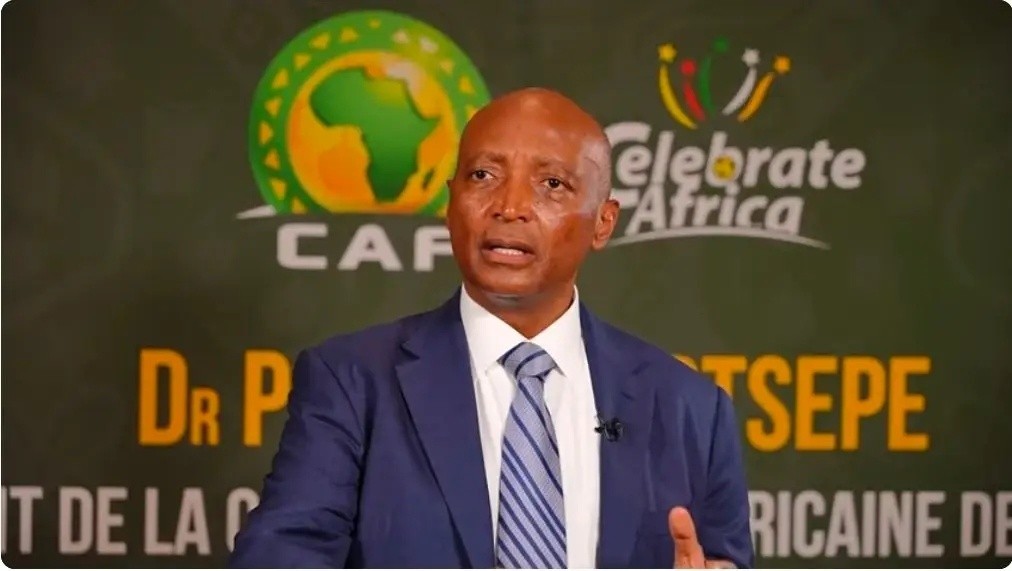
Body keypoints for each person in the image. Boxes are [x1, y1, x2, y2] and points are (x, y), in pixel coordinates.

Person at [228, 87, 754, 569]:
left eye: (551, 184)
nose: (510, 206)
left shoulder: (692, 409)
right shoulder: (353, 382)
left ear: (603, 221)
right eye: (483, 176)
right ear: (450, 202)